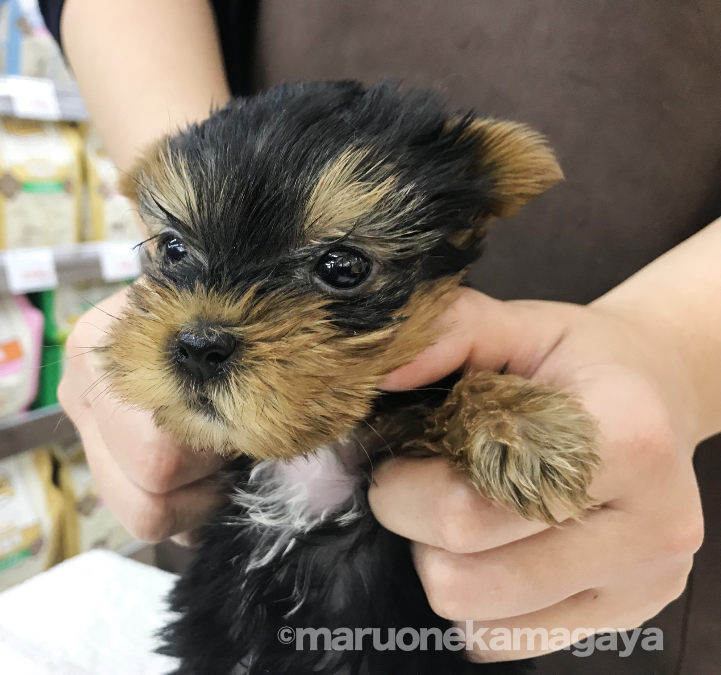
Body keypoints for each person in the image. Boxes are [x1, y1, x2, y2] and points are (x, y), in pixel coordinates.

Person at [44, 0, 721, 669]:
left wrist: (672, 350)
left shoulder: (464, 403)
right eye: (174, 253)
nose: (203, 328)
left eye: (340, 269)